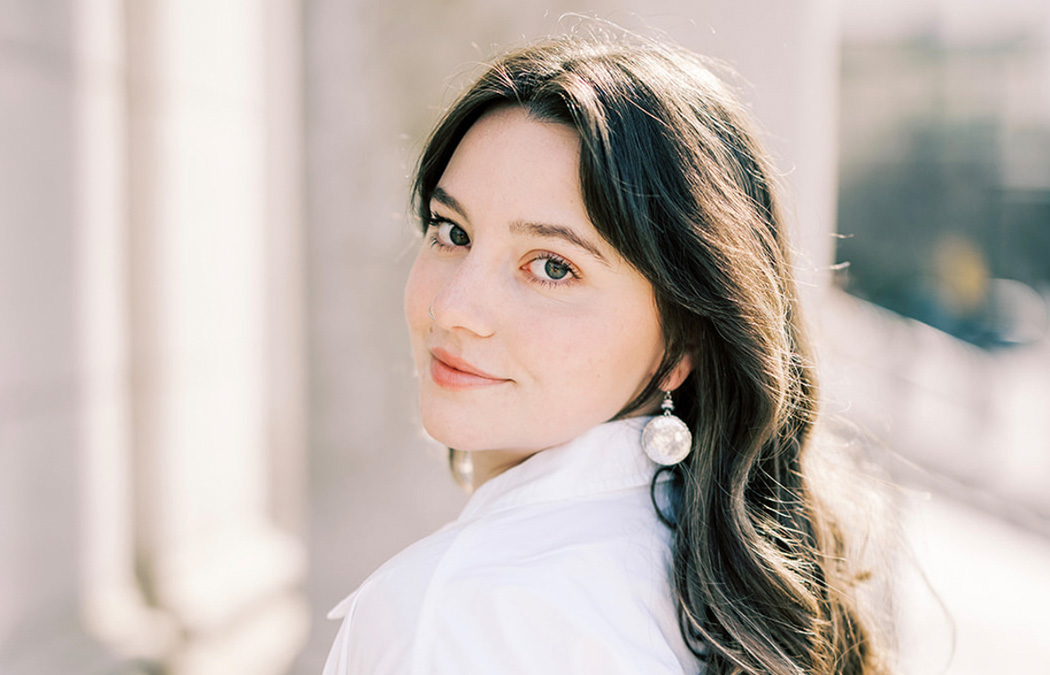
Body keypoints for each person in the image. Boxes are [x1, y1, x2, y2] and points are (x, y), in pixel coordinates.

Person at [324, 33, 889, 675]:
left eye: (552, 267)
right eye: (451, 232)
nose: (452, 307)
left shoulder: (453, 612)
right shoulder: (710, 581)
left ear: (683, 341)